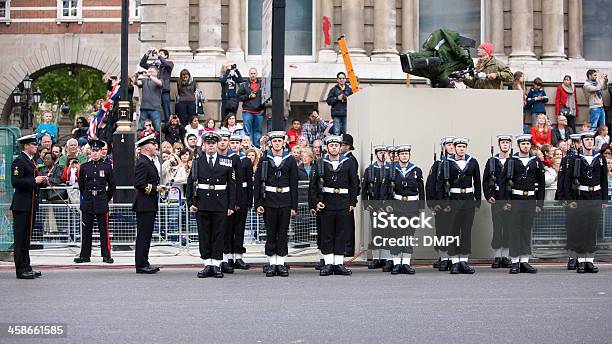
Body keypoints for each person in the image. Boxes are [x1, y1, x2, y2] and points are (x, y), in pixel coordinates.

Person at [186, 131, 236, 278]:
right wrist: (190, 202)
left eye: (213, 143)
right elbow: (190, 184)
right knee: (204, 234)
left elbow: (232, 186)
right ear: (204, 146)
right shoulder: (197, 162)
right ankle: (207, 263)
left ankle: (216, 264)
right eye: (208, 144)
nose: (211, 146)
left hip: (220, 203)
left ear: (217, 145)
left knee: (219, 234)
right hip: (203, 203)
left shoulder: (226, 161)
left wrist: (231, 206)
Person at [309, 135, 359, 276]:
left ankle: (338, 263)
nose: (334, 148)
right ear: (328, 147)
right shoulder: (320, 163)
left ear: (340, 147)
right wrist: (316, 202)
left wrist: (352, 202)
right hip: (327, 202)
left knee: (341, 234)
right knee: (327, 234)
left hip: (343, 202)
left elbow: (354, 184)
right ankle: (328, 263)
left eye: (337, 145)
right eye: (331, 145)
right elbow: (313, 186)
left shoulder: (348, 162)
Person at [254, 131, 299, 277]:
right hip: (269, 200)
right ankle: (272, 262)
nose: (277, 144)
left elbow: (294, 184)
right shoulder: (264, 159)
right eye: (275, 141)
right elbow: (258, 183)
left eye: (279, 141)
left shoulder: (290, 160)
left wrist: (293, 206)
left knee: (283, 232)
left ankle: (281, 262)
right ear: (271, 143)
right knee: (271, 232)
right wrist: (258, 203)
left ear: (283, 143)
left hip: (285, 200)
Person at [498, 134, 544, 274]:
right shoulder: (511, 161)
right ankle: (514, 261)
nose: (526, 146)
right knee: (514, 230)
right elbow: (502, 182)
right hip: (515, 200)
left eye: (528, 144)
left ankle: (524, 261)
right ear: (518, 146)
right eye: (523, 144)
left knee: (526, 230)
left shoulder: (536, 161)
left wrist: (539, 203)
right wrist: (504, 201)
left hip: (530, 199)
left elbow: (541, 184)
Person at [563, 131, 608, 274]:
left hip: (595, 195)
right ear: (581, 143)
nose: (589, 142)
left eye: (591, 140)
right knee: (581, 229)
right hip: (581, 196)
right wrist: (570, 199)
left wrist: (604, 199)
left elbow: (604, 180)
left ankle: (590, 261)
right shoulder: (576, 159)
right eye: (586, 140)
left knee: (592, 229)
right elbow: (568, 181)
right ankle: (581, 261)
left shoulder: (600, 158)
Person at [436, 137, 481, 274]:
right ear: (454, 148)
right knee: (453, 231)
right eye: (459, 146)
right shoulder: (446, 163)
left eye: (463, 146)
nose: (461, 149)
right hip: (453, 199)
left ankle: (464, 261)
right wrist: (444, 203)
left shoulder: (472, 162)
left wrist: (477, 200)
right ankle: (455, 261)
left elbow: (477, 182)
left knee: (466, 231)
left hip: (468, 198)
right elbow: (440, 184)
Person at [383, 144, 424, 275]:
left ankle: (405, 263)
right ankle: (396, 263)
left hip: (412, 206)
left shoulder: (416, 170)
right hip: (397, 205)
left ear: (409, 156)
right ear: (398, 156)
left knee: (408, 235)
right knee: (396, 235)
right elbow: (385, 189)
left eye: (406, 154)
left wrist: (421, 207)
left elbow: (421, 190)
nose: (404, 156)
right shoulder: (391, 170)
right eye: (402, 154)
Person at [74, 139, 116, 264]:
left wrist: (105, 197)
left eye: (97, 151)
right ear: (90, 152)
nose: (95, 153)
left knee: (104, 230)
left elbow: (112, 185)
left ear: (101, 152)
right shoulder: (85, 167)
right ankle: (84, 255)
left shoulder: (107, 166)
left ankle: (106, 255)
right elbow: (81, 184)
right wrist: (86, 196)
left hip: (101, 200)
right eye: (93, 151)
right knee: (86, 230)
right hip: (88, 201)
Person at [11, 134, 47, 279]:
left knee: (27, 238)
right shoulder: (19, 161)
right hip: (21, 206)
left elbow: (35, 179)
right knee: (20, 238)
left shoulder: (32, 161)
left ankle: (27, 266)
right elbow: (16, 182)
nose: (35, 146)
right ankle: (20, 269)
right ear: (26, 146)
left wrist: (42, 180)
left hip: (30, 205)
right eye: (33, 144)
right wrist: (34, 180)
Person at [133, 135, 163, 274]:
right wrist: (154, 188)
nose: (155, 147)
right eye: (153, 144)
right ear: (146, 147)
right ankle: (141, 264)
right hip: (144, 204)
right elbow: (139, 183)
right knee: (143, 236)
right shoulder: (143, 162)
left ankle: (144, 261)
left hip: (148, 204)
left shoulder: (148, 161)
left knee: (146, 235)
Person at [482, 135, 513, 269]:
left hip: (509, 198)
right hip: (496, 198)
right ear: (499, 145)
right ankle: (497, 256)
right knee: (497, 227)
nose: (505, 145)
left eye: (507, 142)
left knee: (508, 228)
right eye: (503, 142)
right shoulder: (492, 161)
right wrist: (488, 195)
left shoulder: (514, 161)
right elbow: (485, 179)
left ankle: (505, 256)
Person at [225, 134, 253, 271]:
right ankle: (229, 256)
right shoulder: (226, 159)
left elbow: (249, 182)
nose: (235, 145)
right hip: (229, 197)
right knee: (228, 229)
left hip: (241, 196)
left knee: (240, 228)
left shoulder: (246, 161)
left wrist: (248, 201)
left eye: (237, 142)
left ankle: (238, 255)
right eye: (232, 142)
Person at [361, 144, 390, 269]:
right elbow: (365, 188)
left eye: (384, 152)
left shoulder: (391, 169)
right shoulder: (370, 169)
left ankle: (385, 257)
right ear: (376, 154)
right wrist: (366, 203)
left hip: (387, 206)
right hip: (375, 204)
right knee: (376, 231)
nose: (382, 154)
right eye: (380, 152)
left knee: (387, 232)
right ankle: (376, 257)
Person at [140, 48, 174, 123]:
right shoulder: (154, 65)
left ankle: (169, 128)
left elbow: (167, 65)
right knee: (154, 111)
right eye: (159, 54)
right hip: (154, 91)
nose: (158, 55)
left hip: (164, 90)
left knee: (166, 111)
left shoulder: (169, 63)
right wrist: (147, 54)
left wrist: (158, 56)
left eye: (161, 54)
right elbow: (142, 64)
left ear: (166, 56)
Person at [341, 133, 359, 257]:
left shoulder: (351, 160)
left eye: (342, 144)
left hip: (347, 195)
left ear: (347, 146)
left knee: (348, 224)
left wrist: (352, 200)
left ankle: (348, 247)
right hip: (343, 196)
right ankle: (345, 246)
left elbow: (354, 182)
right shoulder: (344, 159)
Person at [238, 68, 264, 147]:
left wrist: (264, 108)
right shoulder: (244, 85)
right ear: (249, 74)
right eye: (251, 73)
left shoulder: (262, 84)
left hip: (259, 110)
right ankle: (248, 146)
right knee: (247, 131)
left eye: (254, 73)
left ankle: (257, 147)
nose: (253, 75)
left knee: (258, 130)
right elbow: (239, 97)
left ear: (257, 74)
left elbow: (266, 97)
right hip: (247, 110)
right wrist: (248, 96)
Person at [136, 66, 163, 133]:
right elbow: (137, 83)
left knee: (157, 128)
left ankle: (157, 142)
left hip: (155, 108)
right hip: (144, 108)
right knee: (141, 128)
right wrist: (136, 76)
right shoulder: (144, 80)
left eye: (152, 71)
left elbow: (160, 83)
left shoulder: (160, 79)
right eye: (149, 71)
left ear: (157, 72)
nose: (149, 73)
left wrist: (149, 76)